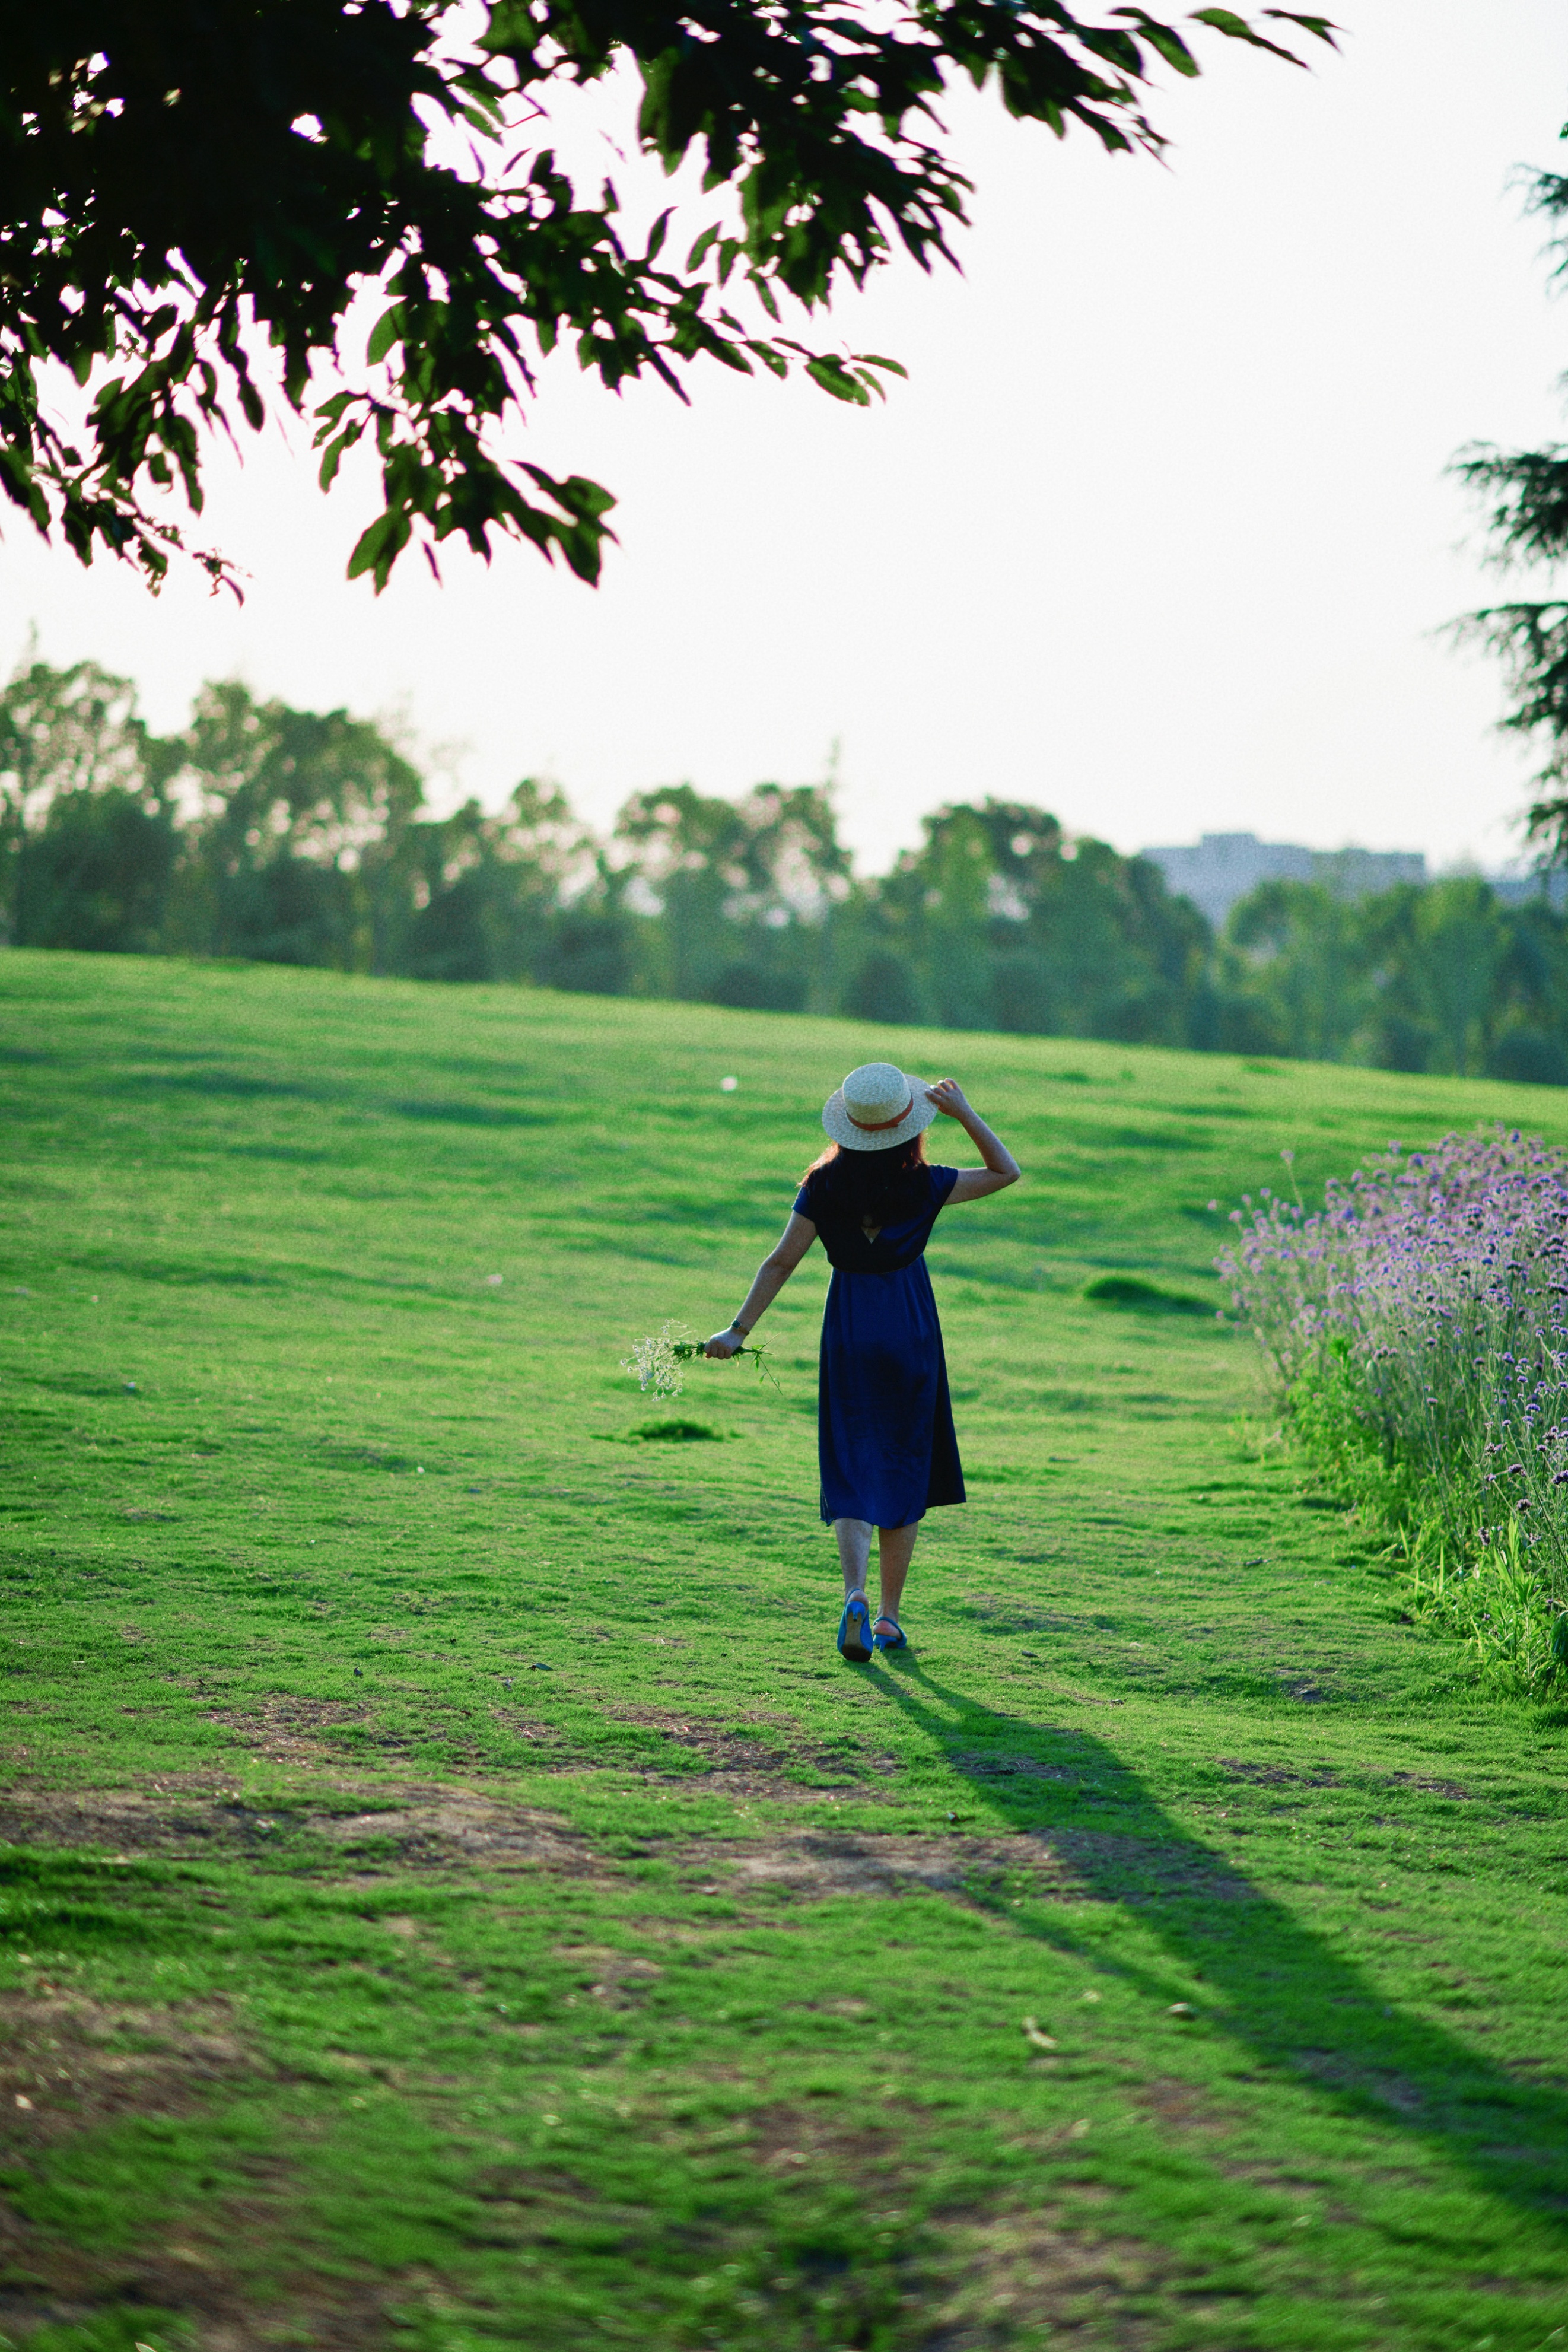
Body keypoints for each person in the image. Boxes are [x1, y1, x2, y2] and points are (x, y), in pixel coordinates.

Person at [705, 1061, 1020, 1662]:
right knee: (905, 1462)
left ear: (849, 1125)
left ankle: (852, 1591)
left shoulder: (823, 1185)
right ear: (910, 1126)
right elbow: (1008, 1171)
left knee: (851, 1459)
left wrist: (739, 1329)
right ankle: (889, 1618)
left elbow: (780, 1262)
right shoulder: (928, 1183)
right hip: (909, 1329)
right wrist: (967, 1113)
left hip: (849, 1328)